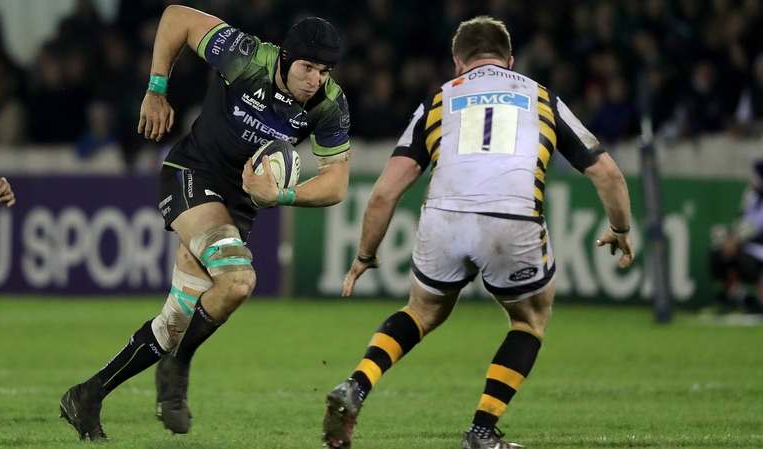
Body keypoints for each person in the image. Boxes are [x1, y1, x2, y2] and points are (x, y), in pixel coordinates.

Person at [322, 16, 634, 449]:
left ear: (457, 63)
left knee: (422, 312)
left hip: (443, 219)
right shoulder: (540, 95)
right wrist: (620, 228)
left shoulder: (439, 99)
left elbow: (383, 193)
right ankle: (482, 432)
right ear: (509, 60)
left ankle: (357, 384)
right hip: (513, 219)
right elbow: (608, 173)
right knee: (529, 319)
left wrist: (365, 255)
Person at [59, 5, 351, 441]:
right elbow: (176, 16)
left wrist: (285, 195)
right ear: (286, 59)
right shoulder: (247, 56)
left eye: (325, 71)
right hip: (191, 174)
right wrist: (157, 89)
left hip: (238, 204)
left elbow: (337, 183)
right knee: (237, 281)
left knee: (177, 320)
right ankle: (177, 368)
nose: (316, 80)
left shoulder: (329, 104)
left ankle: (88, 395)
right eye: (308, 67)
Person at [708, 160, 763, 314]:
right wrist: (730, 239)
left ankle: (752, 303)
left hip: (759, 247)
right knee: (717, 255)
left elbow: (756, 230)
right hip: (746, 244)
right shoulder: (751, 197)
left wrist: (738, 243)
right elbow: (742, 221)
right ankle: (723, 300)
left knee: (745, 259)